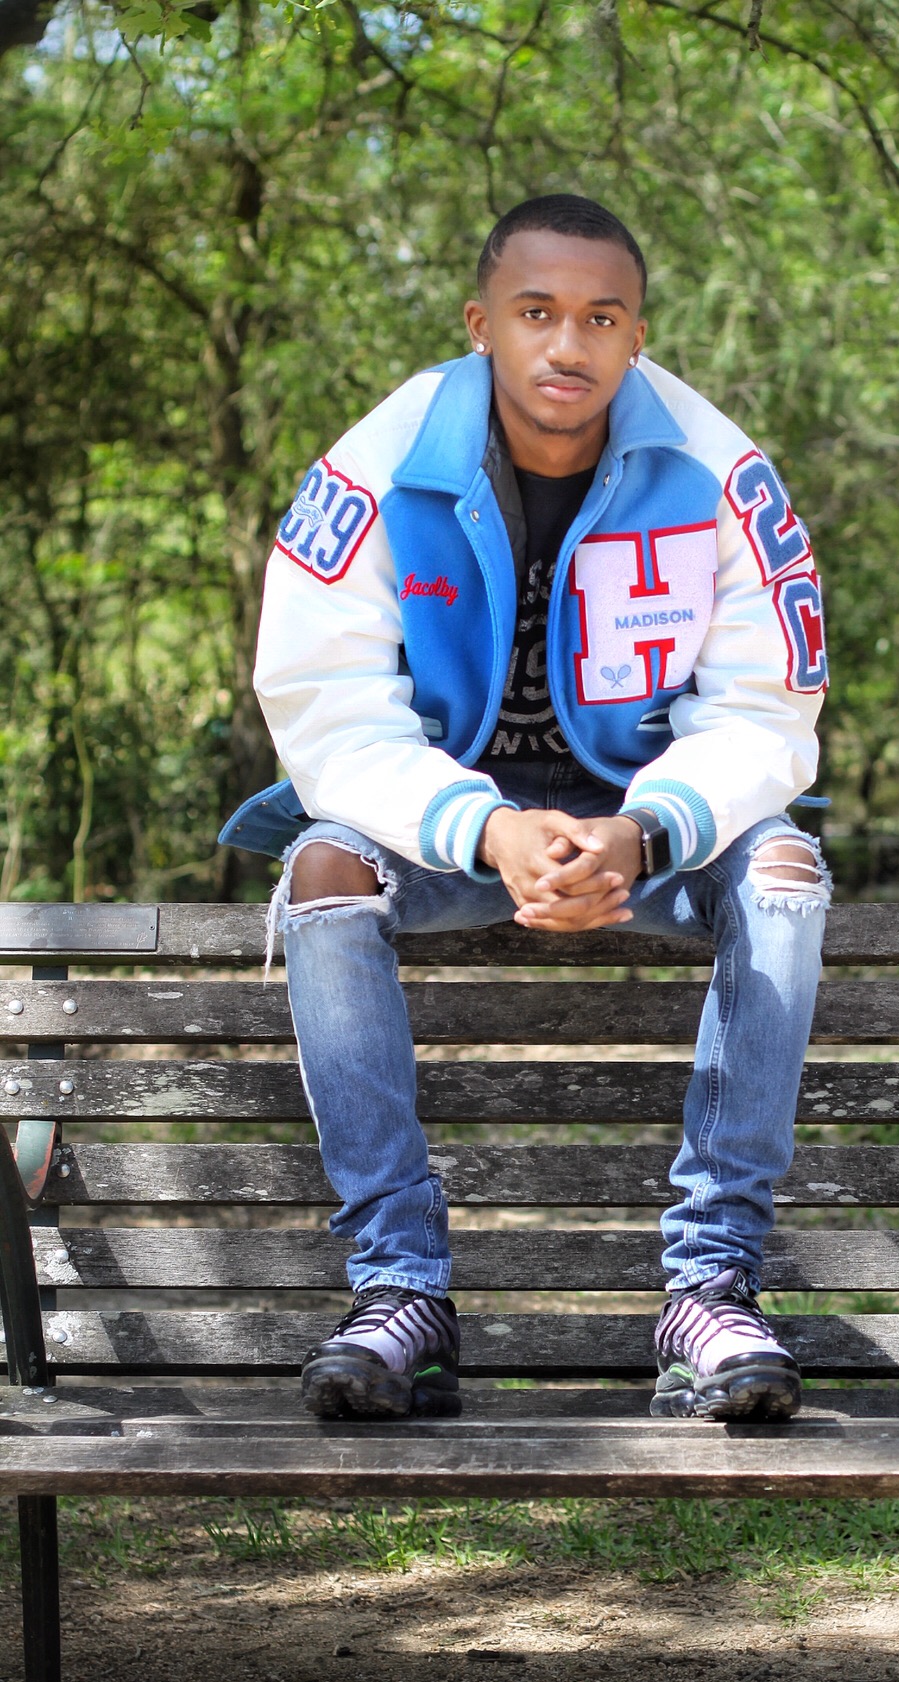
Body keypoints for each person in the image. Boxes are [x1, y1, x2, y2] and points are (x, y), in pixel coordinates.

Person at [220, 194, 830, 1426]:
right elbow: (327, 706)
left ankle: (709, 1285)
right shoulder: (379, 466)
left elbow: (766, 711)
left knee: (782, 872)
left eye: (601, 318)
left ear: (637, 335)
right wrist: (486, 828)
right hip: (445, 826)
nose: (567, 344)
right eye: (536, 312)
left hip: (642, 827)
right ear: (480, 323)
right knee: (326, 870)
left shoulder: (717, 473)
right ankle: (399, 1288)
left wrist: (645, 830)